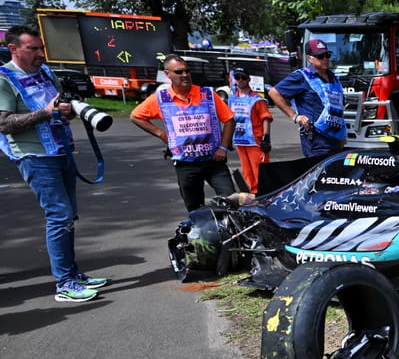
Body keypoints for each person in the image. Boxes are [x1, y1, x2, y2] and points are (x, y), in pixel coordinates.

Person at [0, 25, 108, 303]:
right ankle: (65, 283)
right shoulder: (4, 78)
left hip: (62, 151)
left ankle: (73, 273)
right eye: (32, 49)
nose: (40, 54)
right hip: (35, 156)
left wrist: (68, 110)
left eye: (41, 48)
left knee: (69, 216)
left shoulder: (46, 73)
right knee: (59, 216)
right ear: (14, 49)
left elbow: (61, 110)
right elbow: (4, 123)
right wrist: (46, 112)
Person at [130, 54, 237, 212]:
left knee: (231, 200)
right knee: (195, 209)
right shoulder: (161, 99)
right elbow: (136, 116)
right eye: (179, 72)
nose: (185, 75)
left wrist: (223, 147)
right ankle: (202, 236)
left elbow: (229, 119)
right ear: (168, 74)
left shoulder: (207, 94)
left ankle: (235, 234)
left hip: (213, 160)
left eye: (187, 71)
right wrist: (162, 135)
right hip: (186, 164)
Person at [268, 39, 347, 158]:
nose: (325, 58)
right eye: (320, 56)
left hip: (335, 139)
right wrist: (294, 116)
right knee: (318, 173)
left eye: (327, 55)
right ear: (310, 58)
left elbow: (338, 108)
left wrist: (342, 135)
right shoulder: (301, 76)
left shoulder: (334, 78)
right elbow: (274, 93)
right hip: (316, 140)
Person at [228, 67, 272, 193]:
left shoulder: (256, 99)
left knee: (260, 172)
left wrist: (266, 138)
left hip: (255, 141)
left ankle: (264, 196)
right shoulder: (232, 98)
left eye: (243, 77)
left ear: (249, 79)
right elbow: (230, 119)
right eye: (237, 78)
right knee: (247, 172)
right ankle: (252, 196)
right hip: (240, 140)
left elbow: (266, 118)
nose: (240, 80)